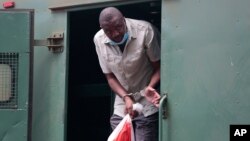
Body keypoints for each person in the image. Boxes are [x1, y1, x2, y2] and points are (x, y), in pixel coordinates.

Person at [93, 7, 161, 141]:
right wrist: (126, 97)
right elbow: (110, 77)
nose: (115, 34)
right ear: (102, 28)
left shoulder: (145, 30)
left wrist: (150, 87)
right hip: (122, 104)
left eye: (118, 27)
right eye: (108, 31)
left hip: (147, 101)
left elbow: (160, 67)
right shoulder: (98, 39)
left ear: (123, 19)